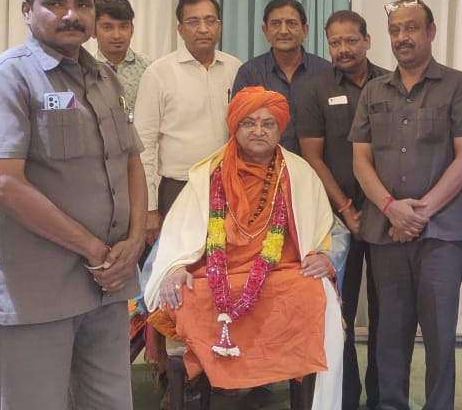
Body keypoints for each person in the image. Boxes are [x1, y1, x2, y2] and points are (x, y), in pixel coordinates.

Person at [0, 0, 145, 410]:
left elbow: (131, 161)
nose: (71, 14)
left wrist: (135, 241)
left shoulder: (104, 78)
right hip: (38, 291)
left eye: (83, 3)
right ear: (27, 10)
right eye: (56, 2)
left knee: (111, 403)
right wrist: (95, 251)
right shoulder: (4, 76)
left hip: (107, 286)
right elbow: (4, 184)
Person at [144, 86, 347, 410]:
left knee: (311, 291)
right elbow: (178, 232)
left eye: (268, 124)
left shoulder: (298, 172)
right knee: (188, 293)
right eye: (249, 123)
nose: (258, 131)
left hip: (279, 272)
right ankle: (212, 376)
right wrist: (175, 266)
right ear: (235, 128)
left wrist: (325, 257)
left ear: (279, 130)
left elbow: (329, 229)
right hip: (215, 273)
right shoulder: (208, 174)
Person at [350, 0, 462, 410]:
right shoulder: (374, 90)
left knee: (441, 334)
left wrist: (418, 213)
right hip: (386, 232)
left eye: (411, 28)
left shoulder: (459, 86)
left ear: (431, 31)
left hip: (441, 235)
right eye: (395, 30)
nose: (402, 37)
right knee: (390, 332)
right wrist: (390, 207)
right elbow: (361, 160)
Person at [296, 10, 387, 410]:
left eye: (351, 40)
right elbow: (312, 156)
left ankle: (382, 397)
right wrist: (346, 208)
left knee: (386, 312)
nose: (343, 49)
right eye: (335, 43)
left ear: (367, 40)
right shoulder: (315, 89)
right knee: (338, 310)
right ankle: (346, 398)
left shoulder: (391, 83)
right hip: (335, 218)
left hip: (385, 216)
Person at [134, 0, 242, 252]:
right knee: (180, 264)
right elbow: (143, 145)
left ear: (219, 26)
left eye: (210, 20)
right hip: (179, 188)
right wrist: (149, 207)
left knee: (226, 262)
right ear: (180, 30)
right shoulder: (158, 73)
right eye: (193, 22)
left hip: (229, 186)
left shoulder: (236, 68)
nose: (203, 28)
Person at [233, 0, 333, 154]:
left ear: (305, 31)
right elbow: (238, 126)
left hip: (315, 165)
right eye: (275, 24)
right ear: (265, 32)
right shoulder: (249, 73)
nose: (284, 31)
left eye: (291, 23)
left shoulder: (326, 72)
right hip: (263, 164)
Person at [93, 0, 151, 113]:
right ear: (93, 31)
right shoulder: (85, 70)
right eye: (107, 27)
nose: (116, 35)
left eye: (123, 27)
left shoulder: (149, 68)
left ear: (132, 29)